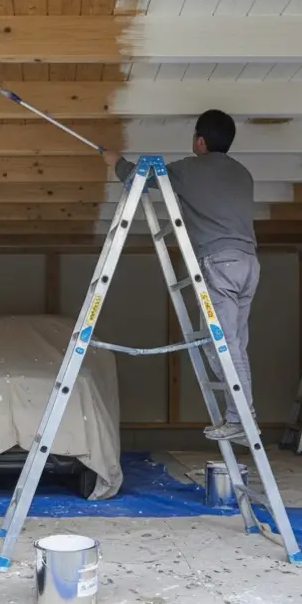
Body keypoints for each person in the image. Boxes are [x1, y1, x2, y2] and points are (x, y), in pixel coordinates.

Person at [101, 110, 258, 443]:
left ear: (200, 141)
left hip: (219, 264)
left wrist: (115, 161)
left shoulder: (190, 169)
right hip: (247, 264)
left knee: (223, 346)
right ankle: (241, 417)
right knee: (236, 345)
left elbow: (138, 181)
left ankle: (242, 419)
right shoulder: (243, 174)